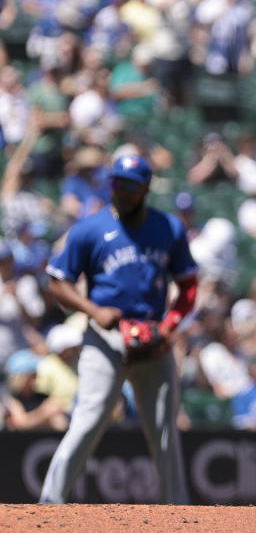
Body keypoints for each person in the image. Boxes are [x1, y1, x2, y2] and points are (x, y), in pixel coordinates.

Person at [39, 154, 198, 504]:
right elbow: (57, 282)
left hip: (154, 338)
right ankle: (50, 503)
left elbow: (188, 283)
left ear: (144, 188)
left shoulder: (168, 228)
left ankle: (179, 511)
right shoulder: (90, 229)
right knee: (88, 420)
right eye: (115, 183)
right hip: (105, 339)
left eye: (127, 185)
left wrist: (170, 326)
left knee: (164, 432)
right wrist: (93, 310)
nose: (119, 191)